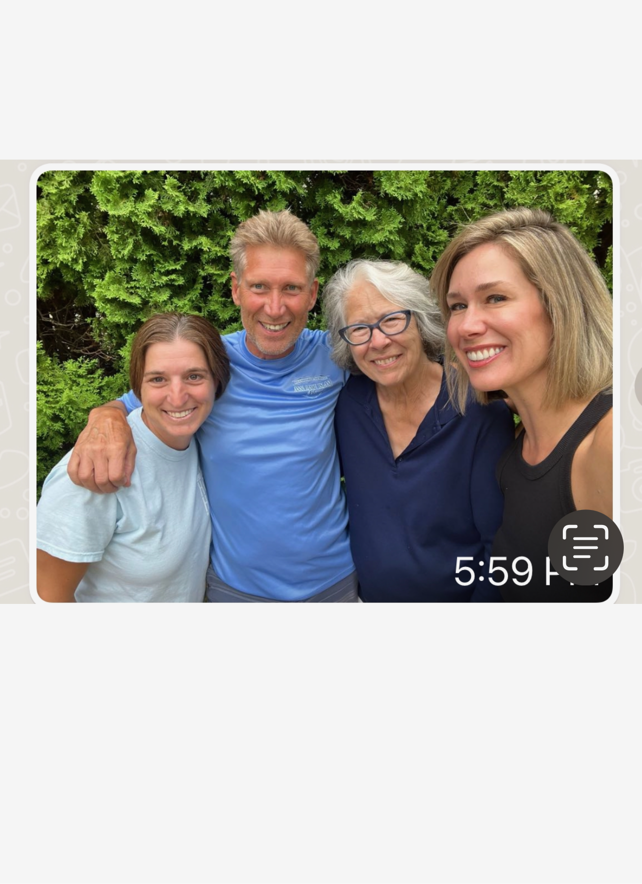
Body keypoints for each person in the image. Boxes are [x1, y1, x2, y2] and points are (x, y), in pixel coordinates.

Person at [65, 211, 357, 603]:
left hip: (333, 583)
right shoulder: (205, 365)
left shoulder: (336, 357)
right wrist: (105, 416)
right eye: (259, 287)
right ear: (236, 289)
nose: (274, 308)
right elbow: (140, 401)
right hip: (234, 590)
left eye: (290, 288)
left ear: (312, 293)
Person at [430, 207, 613, 603]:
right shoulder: (516, 442)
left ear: (560, 305)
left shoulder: (611, 442)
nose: (466, 326)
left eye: (495, 298)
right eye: (458, 306)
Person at [323, 260, 515, 601]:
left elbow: (499, 548)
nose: (378, 342)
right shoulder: (348, 406)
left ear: (420, 321)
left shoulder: (478, 412)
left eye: (392, 320)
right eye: (359, 329)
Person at [36, 314, 229, 602]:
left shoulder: (199, 442)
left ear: (217, 381)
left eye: (194, 376)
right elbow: (45, 599)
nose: (177, 397)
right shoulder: (93, 469)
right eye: (158, 379)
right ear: (139, 388)